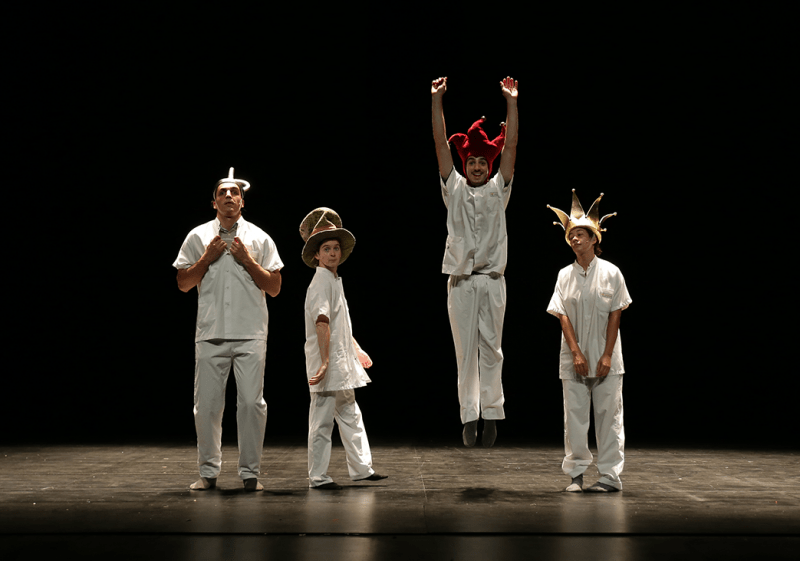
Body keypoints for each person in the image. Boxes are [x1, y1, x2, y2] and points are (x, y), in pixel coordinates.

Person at [173, 167, 283, 492]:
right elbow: (183, 283)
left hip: (250, 332)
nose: (229, 197)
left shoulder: (260, 238)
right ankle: (208, 473)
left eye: (234, 193)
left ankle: (250, 474)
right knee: (206, 406)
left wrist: (249, 261)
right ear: (214, 202)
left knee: (251, 404)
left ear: (242, 202)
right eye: (223, 193)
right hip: (210, 333)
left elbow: (275, 287)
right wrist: (206, 258)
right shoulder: (197, 237)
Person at [431, 76, 519, 447]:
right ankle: (469, 416)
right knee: (465, 351)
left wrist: (511, 104)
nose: (479, 167)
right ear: (465, 164)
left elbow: (512, 144)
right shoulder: (453, 188)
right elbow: (439, 143)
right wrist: (437, 102)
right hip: (461, 280)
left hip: (493, 279)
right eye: (474, 162)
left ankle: (493, 412)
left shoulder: (500, 189)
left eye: (485, 162)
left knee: (492, 349)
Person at [546, 190, 631, 492]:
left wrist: (607, 355)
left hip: (607, 359)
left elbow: (615, 316)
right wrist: (576, 353)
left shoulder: (612, 273)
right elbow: (563, 316)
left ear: (594, 239)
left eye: (581, 235)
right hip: (575, 360)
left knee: (610, 418)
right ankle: (576, 475)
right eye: (572, 235)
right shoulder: (564, 275)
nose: (575, 239)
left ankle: (609, 476)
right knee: (575, 419)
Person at [299, 208, 387, 490]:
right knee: (322, 418)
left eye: (336, 247)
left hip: (339, 360)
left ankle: (362, 469)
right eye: (327, 248)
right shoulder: (321, 282)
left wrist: (356, 350)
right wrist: (324, 362)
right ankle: (318, 476)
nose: (333, 253)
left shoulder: (335, 280)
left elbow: (341, 325)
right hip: (327, 361)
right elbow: (322, 322)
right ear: (317, 254)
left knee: (350, 411)